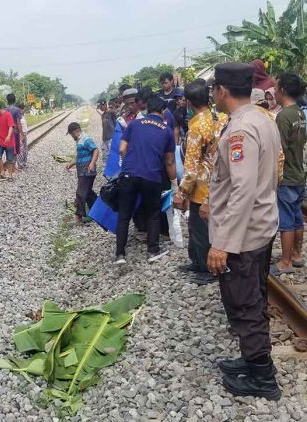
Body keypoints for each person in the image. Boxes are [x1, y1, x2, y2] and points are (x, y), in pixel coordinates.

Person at [207, 62, 282, 401]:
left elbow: (242, 190)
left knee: (243, 303)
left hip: (244, 235)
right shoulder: (261, 119)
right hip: (260, 227)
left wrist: (222, 243)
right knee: (253, 297)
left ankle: (263, 379)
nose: (212, 94)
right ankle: (252, 361)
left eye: (213, 89)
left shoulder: (240, 130)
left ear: (222, 91)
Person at [173, 81, 228, 284]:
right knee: (206, 227)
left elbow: (191, 167)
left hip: (202, 186)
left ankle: (206, 269)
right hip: (220, 181)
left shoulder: (196, 126)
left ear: (188, 102)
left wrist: (181, 193)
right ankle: (196, 262)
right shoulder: (221, 118)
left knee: (200, 229)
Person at [114, 96, 177, 265]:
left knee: (124, 215)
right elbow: (170, 160)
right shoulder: (166, 130)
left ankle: (120, 254)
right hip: (152, 175)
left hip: (129, 174)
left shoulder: (134, 124)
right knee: (153, 214)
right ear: (163, 111)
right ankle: (152, 251)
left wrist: (131, 163)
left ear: (147, 109)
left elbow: (122, 149)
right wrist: (174, 182)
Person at [271, 73, 306, 275]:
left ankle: (285, 262)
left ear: (282, 89)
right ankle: (297, 255)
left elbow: (279, 150)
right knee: (296, 217)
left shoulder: (284, 116)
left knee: (286, 221)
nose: (274, 91)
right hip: (299, 173)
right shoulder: (300, 113)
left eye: (276, 87)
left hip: (287, 175)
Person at [65, 122, 99, 222]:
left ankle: (78, 216)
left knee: (80, 192)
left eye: (71, 135)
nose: (72, 137)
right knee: (88, 192)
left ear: (75, 131)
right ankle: (97, 210)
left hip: (87, 170)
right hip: (83, 170)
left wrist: (92, 163)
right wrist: (72, 163)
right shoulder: (79, 140)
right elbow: (81, 156)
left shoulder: (85, 138)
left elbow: (96, 150)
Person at [0, 102, 16, 180]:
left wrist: (8, 136)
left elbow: (11, 126)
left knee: (10, 159)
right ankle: (2, 172)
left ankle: (10, 175)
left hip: (9, 141)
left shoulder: (7, 115)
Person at [5, 94, 24, 168]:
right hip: (15, 132)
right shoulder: (17, 110)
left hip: (7, 132)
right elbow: (18, 123)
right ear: (14, 100)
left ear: (7, 100)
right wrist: (21, 133)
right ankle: (13, 167)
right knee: (15, 149)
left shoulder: (5, 110)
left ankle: (9, 166)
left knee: (8, 149)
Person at [17, 104, 29, 169]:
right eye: (21, 109)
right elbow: (18, 126)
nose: (22, 110)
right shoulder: (17, 116)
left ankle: (24, 162)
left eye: (23, 108)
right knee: (20, 149)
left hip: (24, 134)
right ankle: (20, 164)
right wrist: (21, 135)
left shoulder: (22, 116)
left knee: (25, 149)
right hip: (20, 134)